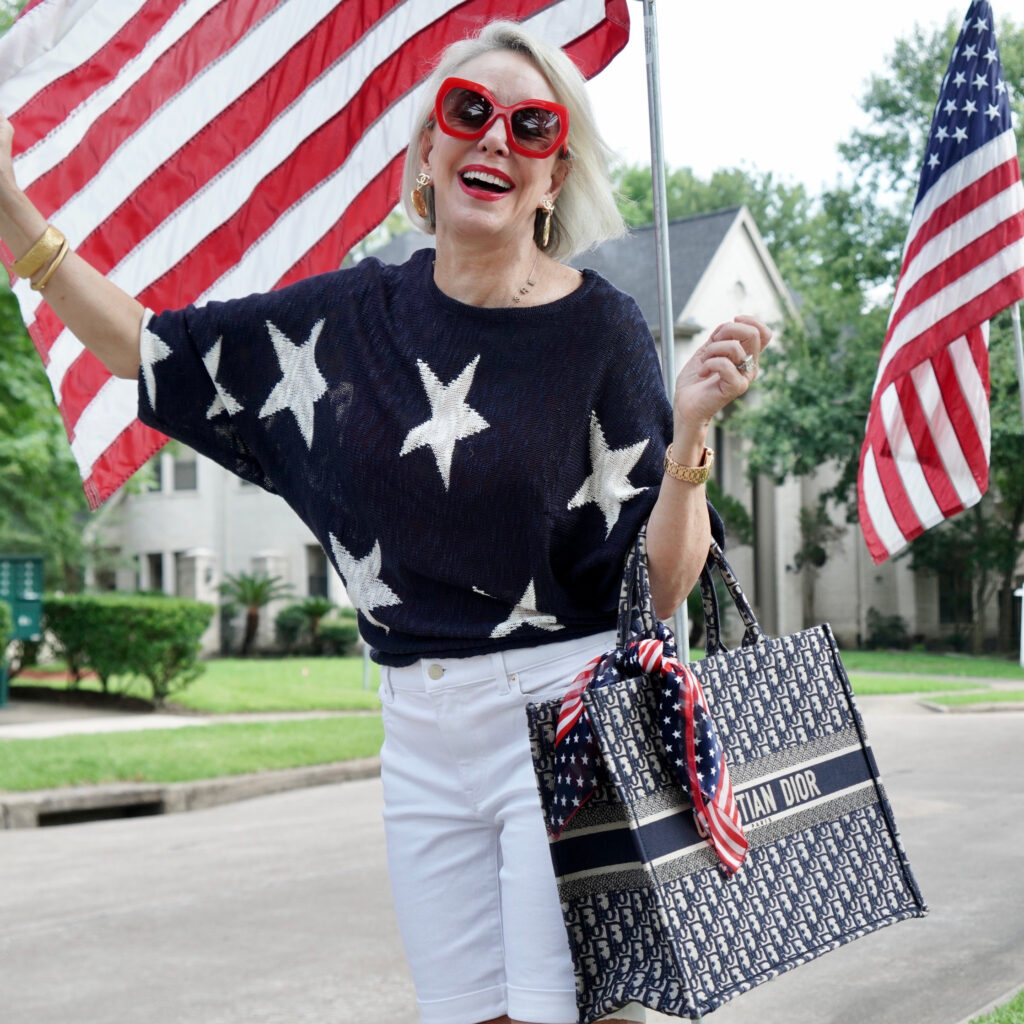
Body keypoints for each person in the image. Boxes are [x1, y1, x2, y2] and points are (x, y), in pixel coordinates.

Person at [0, 19, 769, 1024]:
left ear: (551, 179)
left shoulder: (601, 328)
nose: (494, 137)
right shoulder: (346, 318)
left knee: (573, 1013)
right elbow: (144, 350)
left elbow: (663, 589)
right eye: (469, 111)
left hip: (567, 711)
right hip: (418, 728)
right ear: (425, 154)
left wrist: (691, 440)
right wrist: (17, 212)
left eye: (530, 126)